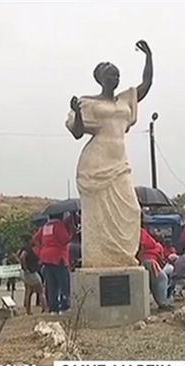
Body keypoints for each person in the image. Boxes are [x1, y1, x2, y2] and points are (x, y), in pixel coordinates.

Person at [65, 40, 153, 268]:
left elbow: (146, 84)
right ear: (100, 79)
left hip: (119, 163)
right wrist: (77, 113)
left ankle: (122, 257)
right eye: (110, 75)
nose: (115, 79)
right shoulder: (88, 102)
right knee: (97, 217)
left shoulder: (125, 100)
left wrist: (148, 57)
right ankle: (98, 259)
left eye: (117, 75)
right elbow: (77, 132)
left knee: (132, 210)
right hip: (96, 163)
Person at [36, 213, 73, 314]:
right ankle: (65, 306)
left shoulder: (44, 227)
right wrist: (70, 232)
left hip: (46, 258)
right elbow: (65, 240)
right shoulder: (58, 225)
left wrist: (40, 250)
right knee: (64, 284)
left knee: (51, 285)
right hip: (58, 258)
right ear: (60, 216)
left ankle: (53, 308)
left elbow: (36, 239)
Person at [139, 222, 173, 312]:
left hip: (149, 259)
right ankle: (162, 303)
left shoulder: (141, 232)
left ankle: (162, 302)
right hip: (148, 260)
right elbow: (146, 245)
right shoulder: (140, 232)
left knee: (157, 280)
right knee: (161, 278)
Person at [18, 235, 47, 315]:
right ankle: (44, 308)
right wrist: (25, 267)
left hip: (26, 273)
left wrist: (23, 267)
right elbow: (22, 257)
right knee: (41, 290)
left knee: (28, 292)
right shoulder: (27, 249)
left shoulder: (22, 248)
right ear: (29, 240)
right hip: (31, 272)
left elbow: (18, 256)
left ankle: (28, 311)